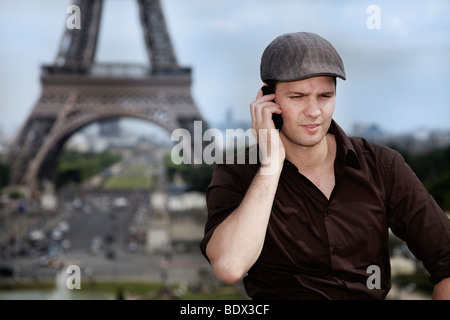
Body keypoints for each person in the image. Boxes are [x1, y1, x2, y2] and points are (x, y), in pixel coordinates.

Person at [199, 32, 450, 300]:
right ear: (267, 99)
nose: (314, 111)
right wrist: (271, 163)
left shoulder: (382, 166)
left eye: (324, 96)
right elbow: (229, 266)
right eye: (298, 97)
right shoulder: (237, 171)